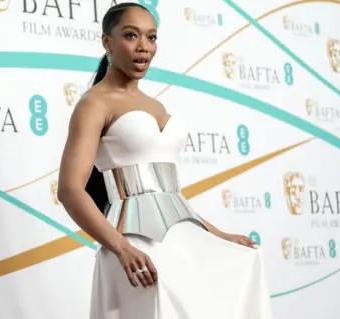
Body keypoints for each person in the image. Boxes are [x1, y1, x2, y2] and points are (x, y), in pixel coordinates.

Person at [57, 3, 273, 318]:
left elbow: (168, 196)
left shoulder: (155, 105)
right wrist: (121, 248)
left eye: (152, 37)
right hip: (133, 246)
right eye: (131, 35)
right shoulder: (94, 103)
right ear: (107, 42)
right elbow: (69, 189)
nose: (144, 47)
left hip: (182, 238)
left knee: (240, 271)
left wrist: (217, 235)